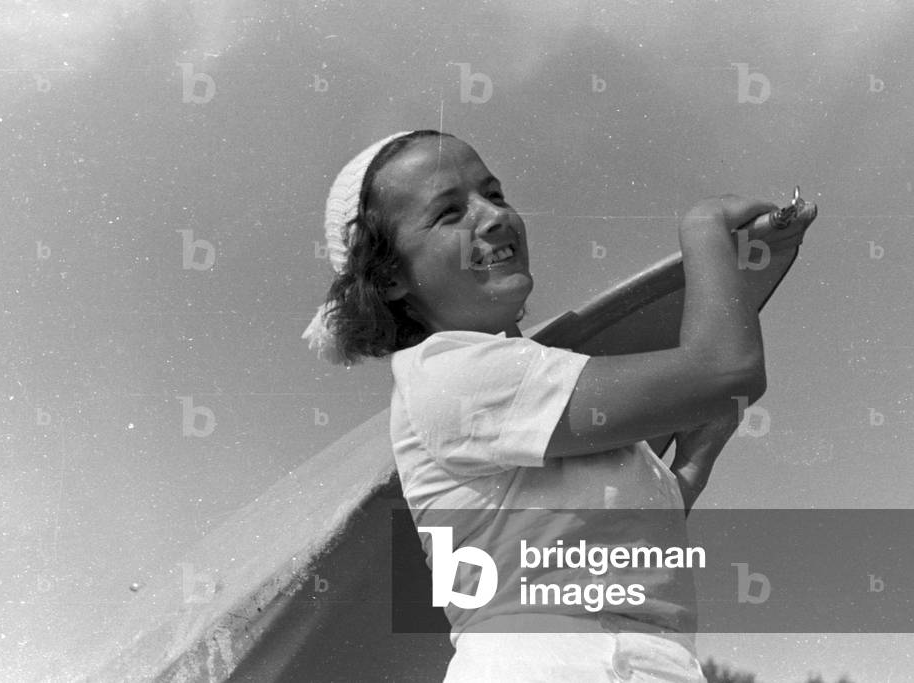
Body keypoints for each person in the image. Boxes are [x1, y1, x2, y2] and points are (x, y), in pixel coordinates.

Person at [302, 130, 808, 682]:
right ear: (391, 276)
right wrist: (704, 227)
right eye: (449, 213)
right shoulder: (450, 373)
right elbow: (725, 368)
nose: (492, 216)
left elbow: (604, 542)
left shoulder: (527, 387)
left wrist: (692, 465)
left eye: (493, 194)